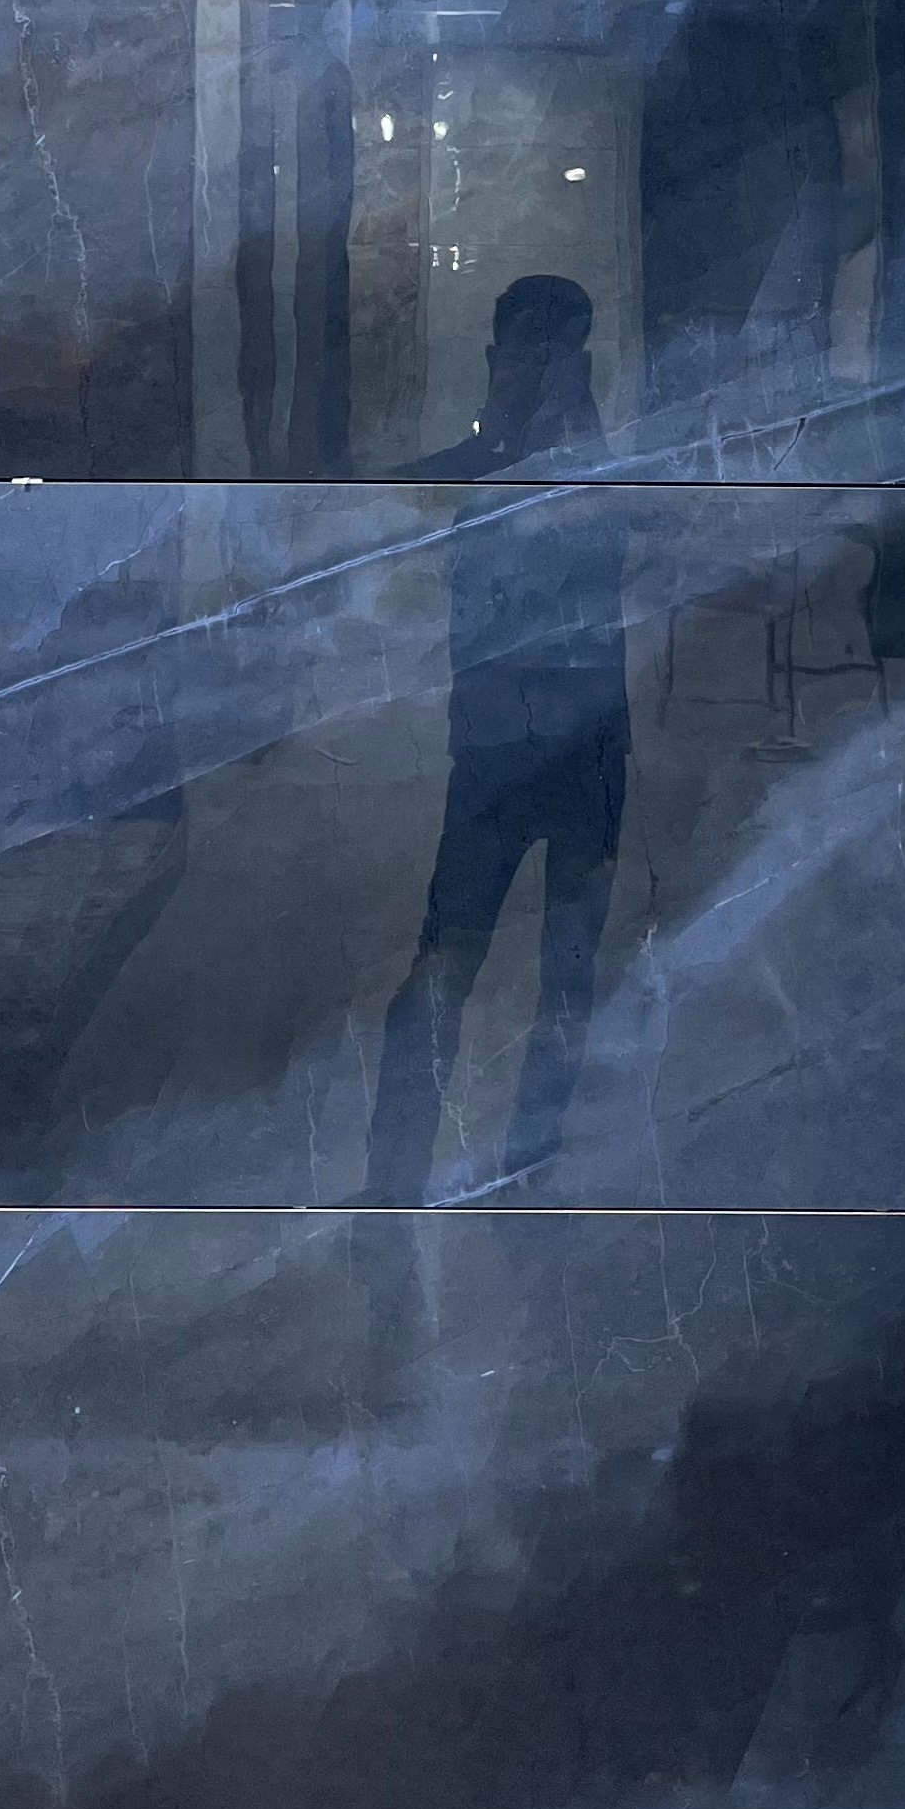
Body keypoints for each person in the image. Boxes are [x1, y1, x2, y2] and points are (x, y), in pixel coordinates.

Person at [361, 277, 629, 1201]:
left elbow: (623, 527)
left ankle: (525, 1171)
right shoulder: (482, 469)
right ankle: (393, 1182)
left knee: (565, 978)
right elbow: (415, 503)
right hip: (497, 754)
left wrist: (572, 436)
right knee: (446, 967)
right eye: (526, 352)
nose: (541, 371)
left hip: (585, 749)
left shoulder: (603, 472)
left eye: (561, 356)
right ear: (492, 360)